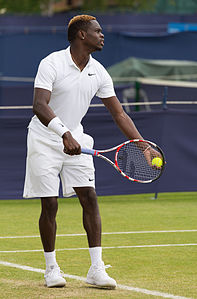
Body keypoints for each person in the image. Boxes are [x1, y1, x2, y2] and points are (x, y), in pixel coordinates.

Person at [23, 14, 152, 289]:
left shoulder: (99, 72)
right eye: (97, 31)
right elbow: (39, 105)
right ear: (82, 35)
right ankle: (51, 269)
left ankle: (96, 269)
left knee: (90, 198)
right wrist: (63, 134)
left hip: (78, 140)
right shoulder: (52, 63)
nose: (102, 35)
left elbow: (119, 113)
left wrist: (142, 145)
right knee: (50, 204)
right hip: (44, 139)